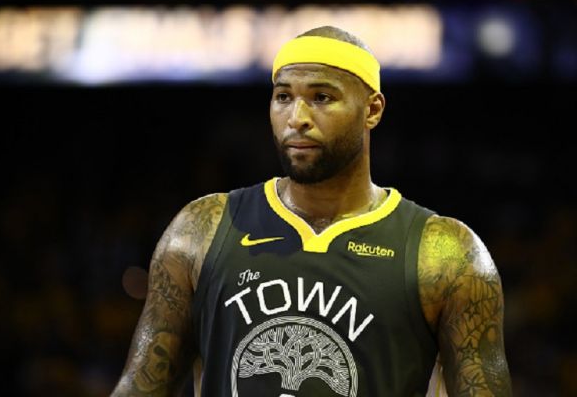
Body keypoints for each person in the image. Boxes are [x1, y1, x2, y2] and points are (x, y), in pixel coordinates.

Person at [111, 26, 512, 396]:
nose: (297, 119)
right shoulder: (201, 229)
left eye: (322, 97)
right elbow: (140, 386)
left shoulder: (445, 252)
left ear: (372, 110)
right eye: (284, 97)